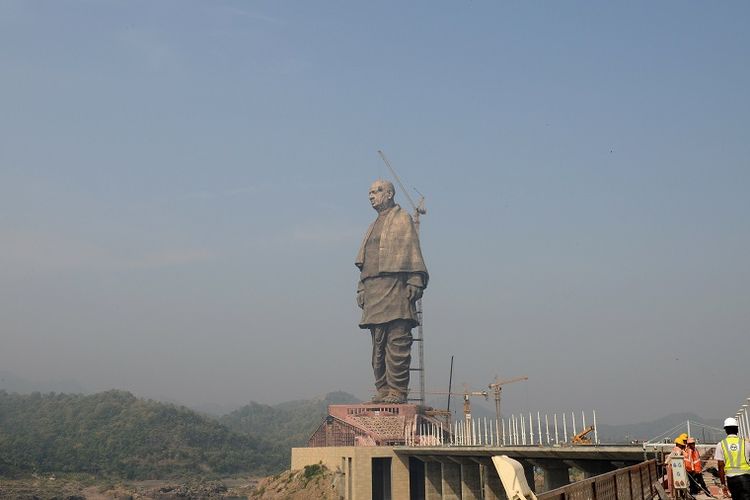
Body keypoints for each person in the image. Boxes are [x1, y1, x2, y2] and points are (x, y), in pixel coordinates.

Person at [355, 179, 428, 404]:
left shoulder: (402, 218)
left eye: (376, 191)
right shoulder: (372, 225)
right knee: (378, 346)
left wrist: (415, 279)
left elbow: (412, 250)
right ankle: (383, 389)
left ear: (389, 194)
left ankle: (397, 391)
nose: (371, 195)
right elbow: (365, 261)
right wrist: (361, 287)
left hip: (396, 286)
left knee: (397, 341)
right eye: (369, 192)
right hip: (374, 290)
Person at [716, 417, 750, 499]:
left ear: (726, 430)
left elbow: (721, 466)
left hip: (731, 479)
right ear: (737, 429)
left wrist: (723, 484)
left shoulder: (721, 444)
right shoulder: (746, 443)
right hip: (746, 478)